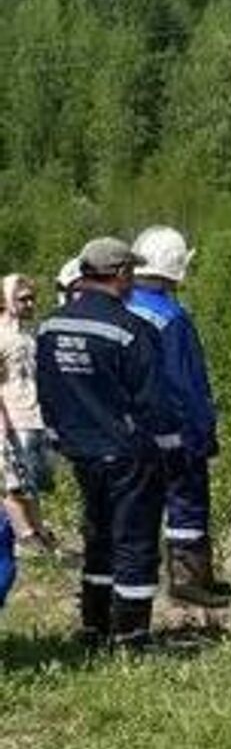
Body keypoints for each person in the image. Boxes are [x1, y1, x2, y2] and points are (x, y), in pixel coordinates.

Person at [35, 238, 179, 649]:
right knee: (134, 539)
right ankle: (132, 634)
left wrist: (59, 435)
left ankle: (94, 624)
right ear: (120, 275)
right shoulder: (132, 330)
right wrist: (171, 450)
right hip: (128, 451)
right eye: (130, 273)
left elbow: (47, 390)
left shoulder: (51, 326)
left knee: (97, 534)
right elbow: (153, 401)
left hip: (81, 450)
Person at [127, 226, 231, 608]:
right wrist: (202, 434)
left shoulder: (117, 307)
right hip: (170, 429)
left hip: (120, 431)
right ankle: (189, 579)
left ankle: (129, 582)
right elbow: (187, 384)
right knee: (186, 499)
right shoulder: (171, 317)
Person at [0, 274, 57, 553]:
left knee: (32, 479)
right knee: (15, 482)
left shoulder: (28, 334)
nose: (30, 303)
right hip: (11, 416)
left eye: (32, 298)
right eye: (23, 299)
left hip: (34, 414)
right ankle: (25, 536)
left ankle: (39, 531)